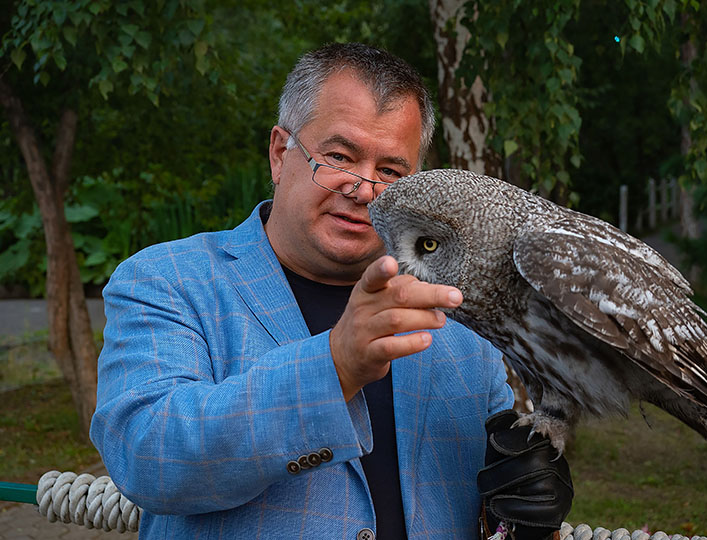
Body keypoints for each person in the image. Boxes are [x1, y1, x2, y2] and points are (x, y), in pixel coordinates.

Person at [90, 42, 572, 539]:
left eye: (391, 171)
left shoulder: (455, 314)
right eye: (339, 156)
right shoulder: (167, 280)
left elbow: (484, 507)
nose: (363, 188)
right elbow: (148, 459)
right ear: (281, 154)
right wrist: (336, 364)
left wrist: (522, 517)